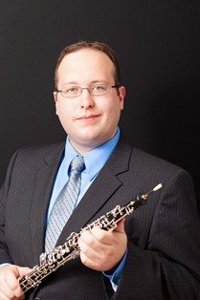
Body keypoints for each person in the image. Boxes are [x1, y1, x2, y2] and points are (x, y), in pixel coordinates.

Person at [0, 41, 200, 300]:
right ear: (56, 102)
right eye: (72, 90)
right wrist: (2, 269)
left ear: (121, 97)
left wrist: (123, 261)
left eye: (99, 87)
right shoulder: (23, 164)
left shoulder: (167, 182)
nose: (86, 102)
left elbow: (190, 289)